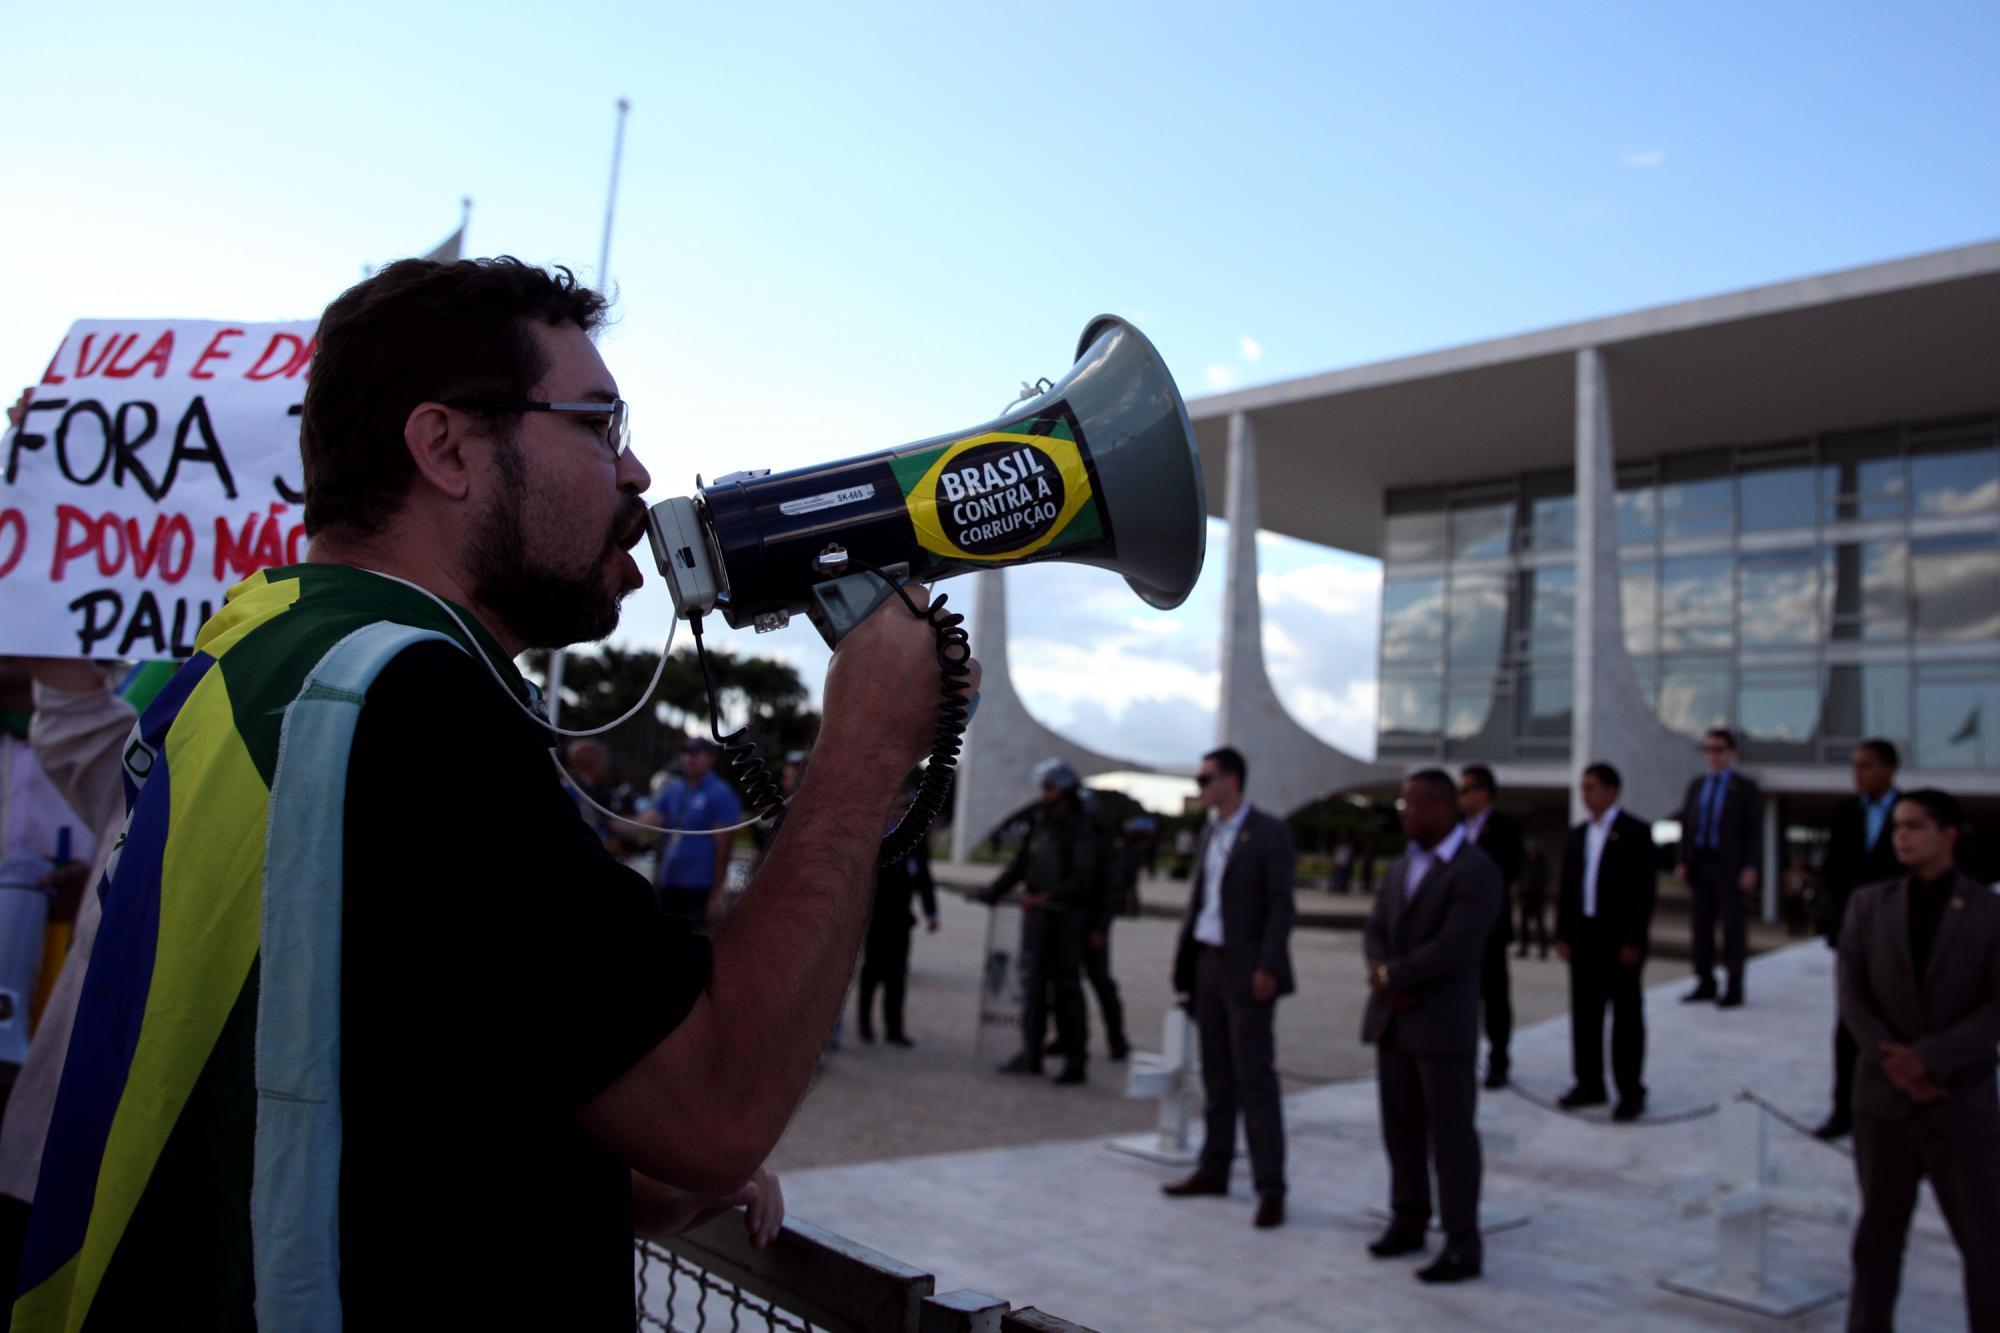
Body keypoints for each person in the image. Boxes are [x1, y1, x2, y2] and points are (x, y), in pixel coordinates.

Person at [11, 258, 960, 1330]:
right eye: (598, 424)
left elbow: (385, 1061)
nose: (638, 472)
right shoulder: (399, 701)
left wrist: (588, 1171)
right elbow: (713, 1107)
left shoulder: (261, 646)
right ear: (446, 448)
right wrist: (864, 747)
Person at [1838, 788, 2000, 1332]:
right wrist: (1898, 1066)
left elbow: (1994, 1008)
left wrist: (1930, 1060)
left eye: (1913, 826)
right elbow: (1853, 999)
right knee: (1876, 1245)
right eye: (1897, 827)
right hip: (1884, 1105)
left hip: (1960, 1103)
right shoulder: (1868, 905)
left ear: (1947, 835)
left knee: (1987, 1249)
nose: (1900, 836)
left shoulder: (1988, 912)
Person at [1360, 769, 1503, 1283]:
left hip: (1440, 1027)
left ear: (1443, 810)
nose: (1404, 812)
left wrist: (1396, 974)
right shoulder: (1402, 866)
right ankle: (1408, 1219)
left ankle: (1463, 1243)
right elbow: (1376, 928)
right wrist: (1382, 974)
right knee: (1399, 1130)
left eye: (1413, 804)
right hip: (1393, 1021)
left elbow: (1457, 944)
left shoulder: (1475, 870)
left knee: (1450, 1139)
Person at [1163, 747, 1296, 1230]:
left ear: (1232, 779)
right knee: (1217, 1078)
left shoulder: (1268, 832)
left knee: (1255, 1081)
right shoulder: (1210, 833)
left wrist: (1269, 965)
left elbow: (1282, 905)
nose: (1200, 787)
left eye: (1206, 778)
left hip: (1248, 971)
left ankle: (1271, 1187)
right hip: (1206, 964)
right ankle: (1214, 1168)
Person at [982, 760, 1101, 1085]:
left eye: (1049, 787)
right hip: (1038, 918)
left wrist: (1048, 898)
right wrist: (993, 891)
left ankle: (1075, 1061)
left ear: (1064, 790)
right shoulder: (1041, 822)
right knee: (1032, 987)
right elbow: (1023, 865)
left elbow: (1083, 876)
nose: (1044, 793)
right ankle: (1030, 1053)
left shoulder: (1081, 827)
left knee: (1066, 989)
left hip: (1066, 920)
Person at [1554, 763, 1657, 1122]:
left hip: (1620, 940)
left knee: (1626, 1017)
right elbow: (1567, 888)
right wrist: (1563, 933)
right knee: (1585, 1014)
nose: (1585, 795)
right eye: (1582, 788)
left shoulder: (1636, 832)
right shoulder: (1577, 834)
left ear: (1612, 791)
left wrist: (1635, 938)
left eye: (1592, 788)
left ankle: (1630, 1089)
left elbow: (1645, 892)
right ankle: (1589, 1082)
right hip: (1585, 936)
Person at [1811, 738, 1902, 1142]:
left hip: (1899, 940)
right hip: (1853, 937)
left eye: (1865, 766)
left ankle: (1898, 1106)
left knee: (1898, 1023)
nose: (1857, 774)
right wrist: (1830, 922)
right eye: (1854, 766)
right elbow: (1831, 871)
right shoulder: (1845, 813)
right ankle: (1843, 1109)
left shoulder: (1909, 814)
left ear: (1889, 769)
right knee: (1849, 1022)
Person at [1674, 727, 1762, 1007]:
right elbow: (1686, 826)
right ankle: (1705, 982)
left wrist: (1751, 866)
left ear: (1731, 753)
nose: (1713, 755)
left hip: (1730, 866)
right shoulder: (1697, 785)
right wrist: (1682, 861)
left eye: (1719, 749)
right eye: (1709, 749)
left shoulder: (1744, 787)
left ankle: (1734, 986)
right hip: (1701, 863)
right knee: (1700, 926)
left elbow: (1754, 831)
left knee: (1733, 928)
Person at [1457, 765, 1524, 1089]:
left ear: (1482, 793)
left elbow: (1512, 869)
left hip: (1490, 927)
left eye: (1465, 790)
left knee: (1495, 996)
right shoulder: (1456, 827)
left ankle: (1499, 1060)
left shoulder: (1505, 827)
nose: (1460, 797)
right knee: (1460, 995)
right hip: (1457, 928)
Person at [857, 788, 938, 1046]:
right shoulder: (876, 836)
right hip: (876, 915)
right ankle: (865, 1026)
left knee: (897, 975)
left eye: (906, 807)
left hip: (901, 917)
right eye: (899, 806)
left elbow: (924, 877)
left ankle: (894, 1029)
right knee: (871, 972)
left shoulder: (915, 838)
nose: (902, 811)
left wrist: (931, 912)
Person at [638, 735, 744, 922]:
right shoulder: (675, 789)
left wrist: (716, 895)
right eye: (685, 753)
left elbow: (724, 849)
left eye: (695, 754)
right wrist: (608, 819)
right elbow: (645, 821)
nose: (688, 759)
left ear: (711, 758)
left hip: (698, 887)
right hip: (668, 882)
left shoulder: (720, 793)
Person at [1515, 844, 1551, 959]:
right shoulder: (1526, 866)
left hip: (1537, 899)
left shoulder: (1541, 867)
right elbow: (1522, 881)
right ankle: (1523, 948)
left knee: (1540, 925)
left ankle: (1543, 949)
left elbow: (1544, 882)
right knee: (1524, 925)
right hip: (1526, 899)